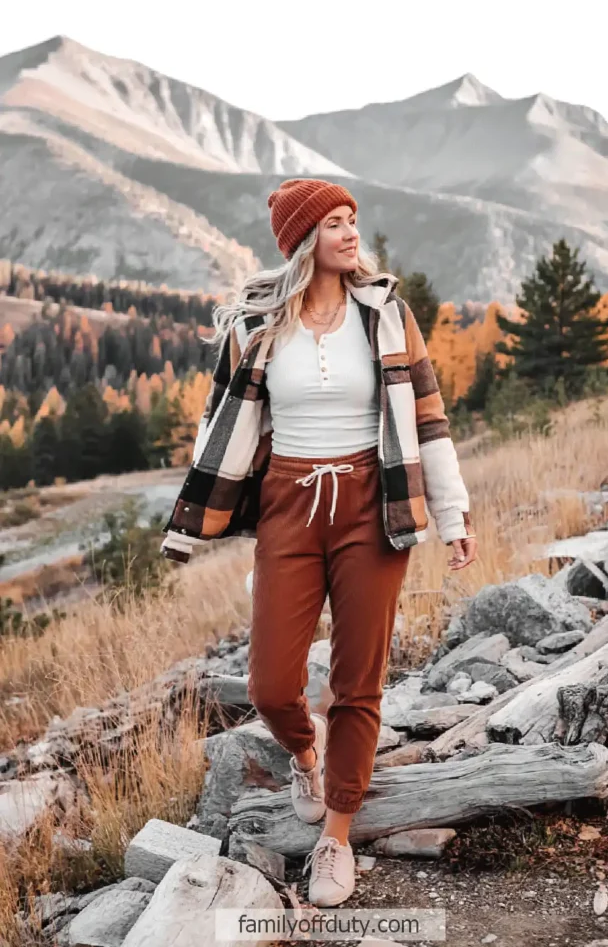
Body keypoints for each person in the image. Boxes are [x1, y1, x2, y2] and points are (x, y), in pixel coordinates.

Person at [160, 177, 477, 906]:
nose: (349, 232)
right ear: (303, 240)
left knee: (357, 680)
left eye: (351, 219)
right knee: (272, 685)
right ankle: (305, 754)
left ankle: (335, 836)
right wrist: (188, 523)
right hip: (289, 506)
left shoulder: (387, 315)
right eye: (333, 222)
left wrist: (452, 516)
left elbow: (428, 422)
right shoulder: (256, 326)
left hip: (373, 504)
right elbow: (221, 428)